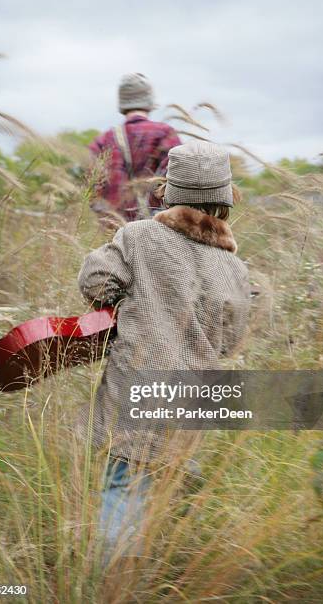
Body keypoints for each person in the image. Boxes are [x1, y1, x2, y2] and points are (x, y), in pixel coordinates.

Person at [76, 140, 251, 559]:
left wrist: (120, 302)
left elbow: (96, 280)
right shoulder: (235, 267)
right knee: (166, 482)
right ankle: (154, 565)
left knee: (123, 483)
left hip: (136, 388)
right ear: (225, 202)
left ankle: (116, 578)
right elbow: (230, 340)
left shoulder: (137, 237)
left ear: (168, 192)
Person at [88, 72, 181, 223]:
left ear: (122, 102)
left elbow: (92, 187)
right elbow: (178, 179)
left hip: (115, 230)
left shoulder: (104, 140)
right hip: (156, 227)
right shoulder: (165, 134)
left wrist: (107, 216)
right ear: (149, 101)